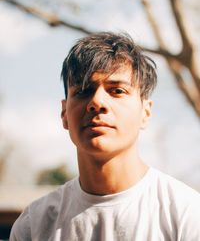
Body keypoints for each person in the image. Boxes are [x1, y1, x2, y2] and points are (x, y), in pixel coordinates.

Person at [10, 32, 200, 240]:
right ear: (64, 113)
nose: (97, 102)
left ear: (145, 112)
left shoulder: (187, 216)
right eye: (83, 90)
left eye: (117, 90)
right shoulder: (34, 225)